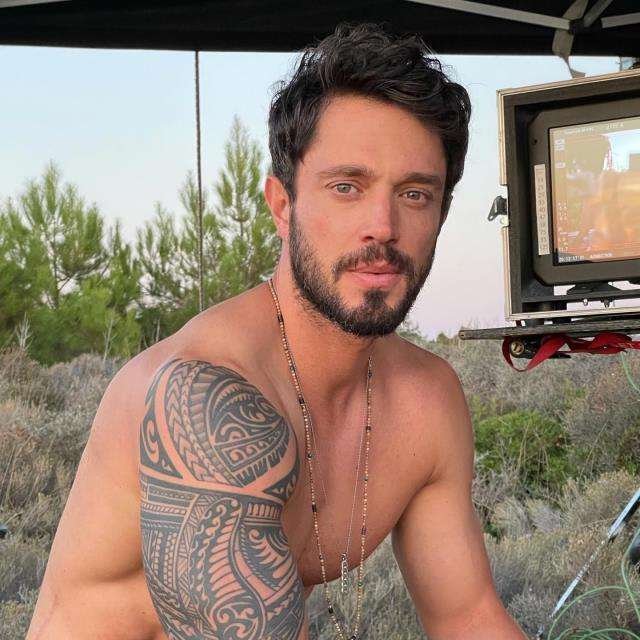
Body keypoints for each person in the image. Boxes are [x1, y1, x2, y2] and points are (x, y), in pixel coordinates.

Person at [26, 22, 528, 640]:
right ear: (282, 205)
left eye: (415, 194)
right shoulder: (206, 400)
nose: (383, 225)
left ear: (442, 213)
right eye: (346, 187)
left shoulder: (426, 400)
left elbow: (468, 617)